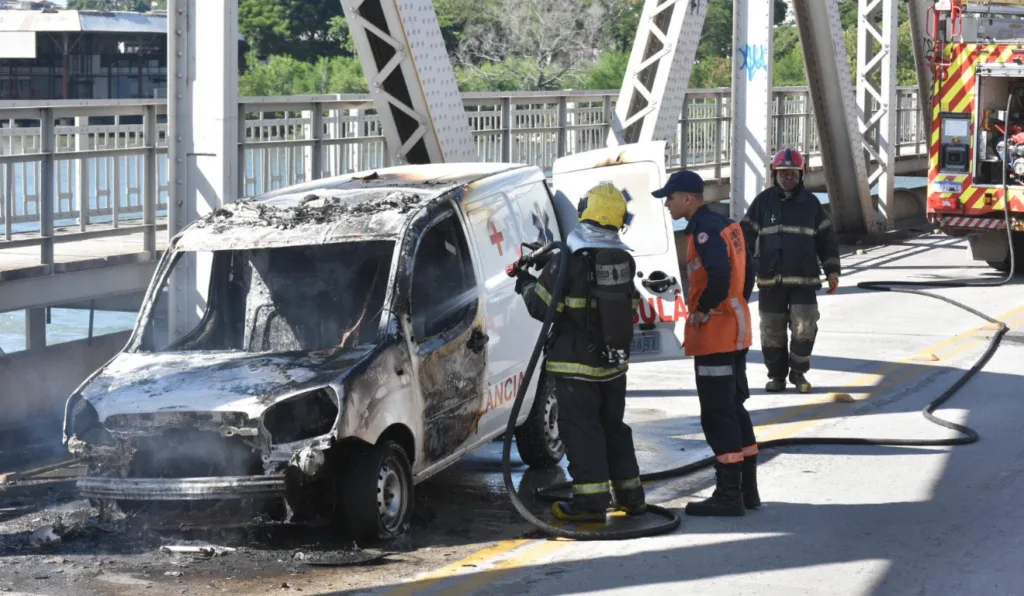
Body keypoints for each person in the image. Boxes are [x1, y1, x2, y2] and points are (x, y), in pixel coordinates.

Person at [514, 182, 647, 522]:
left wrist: (525, 283)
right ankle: (631, 497)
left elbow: (542, 308)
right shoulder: (621, 259)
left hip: (575, 366)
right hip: (613, 365)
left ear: (588, 209)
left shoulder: (568, 260)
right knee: (613, 427)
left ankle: (589, 504)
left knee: (582, 430)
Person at [654, 169, 760, 516]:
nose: (667, 205)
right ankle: (747, 490)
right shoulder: (727, 225)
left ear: (687, 197)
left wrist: (701, 309)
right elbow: (747, 272)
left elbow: (718, 274)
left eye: (669, 198)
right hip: (736, 327)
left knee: (717, 413)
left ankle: (729, 495)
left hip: (717, 333)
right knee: (734, 407)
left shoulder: (703, 232)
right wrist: (733, 302)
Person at [740, 148, 841, 394]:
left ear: (801, 174)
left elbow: (827, 240)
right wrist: (741, 269)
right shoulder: (763, 203)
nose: (788, 178)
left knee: (805, 328)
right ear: (775, 174)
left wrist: (832, 272)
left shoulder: (812, 205)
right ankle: (776, 376)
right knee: (771, 331)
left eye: (793, 174)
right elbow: (743, 237)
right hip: (769, 281)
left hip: (804, 280)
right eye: (783, 173)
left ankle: (798, 372)